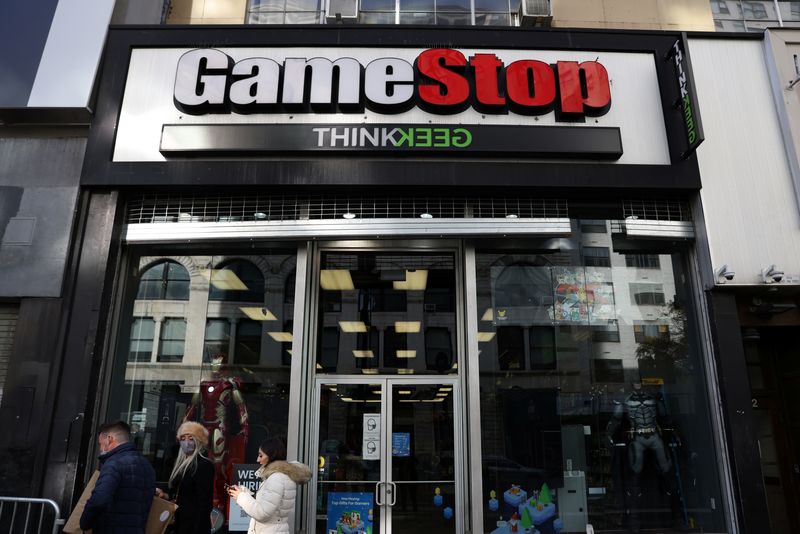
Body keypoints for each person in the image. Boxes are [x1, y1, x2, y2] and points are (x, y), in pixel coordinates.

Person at [79, 421, 156, 534]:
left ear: (109, 439)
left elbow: (99, 499)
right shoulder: (147, 465)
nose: (100, 448)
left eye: (100, 443)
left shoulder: (113, 464)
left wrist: (84, 522)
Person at [227, 437, 311, 534]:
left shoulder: (276, 478)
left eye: (261, 455)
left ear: (271, 456)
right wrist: (244, 492)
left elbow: (262, 514)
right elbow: (268, 507)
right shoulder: (280, 476)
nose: (258, 459)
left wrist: (241, 497)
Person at [155, 421, 214, 534]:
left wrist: (198, 530)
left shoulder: (204, 465)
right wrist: (165, 495)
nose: (186, 442)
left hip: (193, 526)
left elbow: (205, 504)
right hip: (178, 523)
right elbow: (179, 493)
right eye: (183, 438)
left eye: (191, 438)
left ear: (199, 441)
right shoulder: (179, 465)